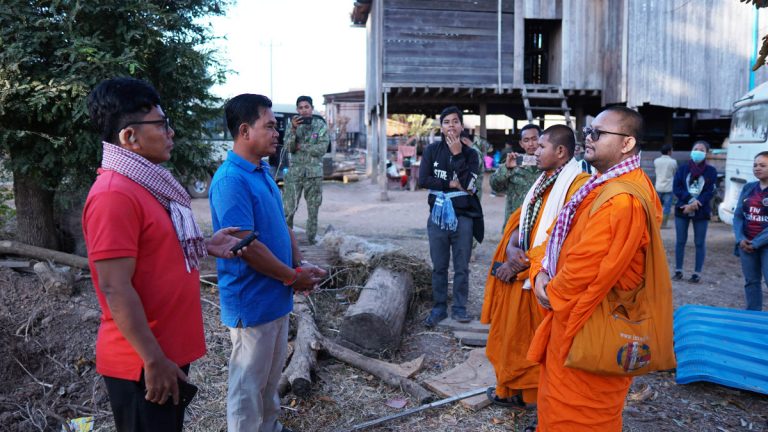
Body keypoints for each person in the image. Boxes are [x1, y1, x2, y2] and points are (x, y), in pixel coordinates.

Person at [82, 77, 245, 432]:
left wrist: (205, 245)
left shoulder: (148, 185)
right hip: (142, 361)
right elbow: (114, 288)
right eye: (161, 124)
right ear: (130, 137)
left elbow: (154, 252)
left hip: (163, 353)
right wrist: (153, 359)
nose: (171, 133)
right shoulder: (114, 194)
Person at [527, 106, 671, 431]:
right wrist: (539, 269)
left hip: (587, 327)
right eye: (588, 131)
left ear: (627, 144)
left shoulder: (621, 200)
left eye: (598, 133)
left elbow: (581, 274)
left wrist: (543, 286)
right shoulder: (600, 186)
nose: (588, 139)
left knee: (579, 418)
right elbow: (553, 240)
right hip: (573, 319)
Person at [209, 94, 326, 432]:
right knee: (247, 387)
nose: (278, 132)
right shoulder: (231, 179)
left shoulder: (261, 170)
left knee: (269, 378)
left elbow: (281, 225)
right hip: (252, 301)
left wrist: (299, 264)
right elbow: (247, 246)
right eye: (270, 126)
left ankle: (270, 427)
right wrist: (292, 277)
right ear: (245, 130)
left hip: (275, 297)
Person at [480, 125, 589, 409]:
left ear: (561, 152)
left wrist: (521, 263)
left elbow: (564, 238)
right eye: (533, 145)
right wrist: (514, 248)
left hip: (540, 280)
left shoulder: (577, 185)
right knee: (510, 338)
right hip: (521, 268)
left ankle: (536, 401)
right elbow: (521, 217)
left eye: (541, 147)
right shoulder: (544, 179)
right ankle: (511, 392)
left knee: (536, 346)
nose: (535, 151)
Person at [419, 106, 484, 326]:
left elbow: (470, 184)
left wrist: (457, 155)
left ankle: (459, 307)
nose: (451, 125)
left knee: (462, 265)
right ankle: (439, 307)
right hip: (437, 215)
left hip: (463, 216)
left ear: (461, 125)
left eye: (455, 121)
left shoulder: (470, 154)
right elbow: (423, 180)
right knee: (439, 265)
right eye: (446, 122)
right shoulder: (432, 151)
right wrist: (449, 183)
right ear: (441, 126)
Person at [283, 95, 329, 244]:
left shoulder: (320, 125)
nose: (303, 110)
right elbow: (288, 148)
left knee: (313, 210)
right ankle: (286, 240)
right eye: (300, 108)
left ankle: (311, 240)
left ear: (312, 108)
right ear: (297, 109)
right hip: (295, 174)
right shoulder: (293, 125)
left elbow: (321, 149)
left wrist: (301, 146)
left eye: (306, 107)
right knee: (288, 210)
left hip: (314, 174)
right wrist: (294, 130)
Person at [672, 140, 717, 284]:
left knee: (699, 242)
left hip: (701, 210)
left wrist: (697, 203)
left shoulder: (711, 171)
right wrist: (691, 200)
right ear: (691, 151)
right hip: (682, 209)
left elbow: (710, 191)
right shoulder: (683, 169)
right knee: (680, 241)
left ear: (706, 153)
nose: (698, 151)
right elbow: (677, 188)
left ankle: (697, 273)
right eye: (695, 148)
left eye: (701, 149)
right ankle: (678, 271)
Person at [732, 151, 768, 311]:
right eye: (755, 165)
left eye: (762, 165)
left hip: (763, 245)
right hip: (746, 244)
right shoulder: (748, 188)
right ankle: (753, 317)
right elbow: (738, 215)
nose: (757, 168)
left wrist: (756, 243)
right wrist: (740, 239)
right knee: (751, 282)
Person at [490, 124, 542, 230]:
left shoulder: (549, 164)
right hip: (515, 224)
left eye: (534, 139)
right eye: (526, 140)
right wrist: (506, 168)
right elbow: (495, 187)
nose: (531, 144)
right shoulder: (513, 162)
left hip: (540, 224)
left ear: (541, 140)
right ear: (521, 144)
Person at [654, 144, 678, 228]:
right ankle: (663, 224)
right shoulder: (673, 162)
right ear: (669, 152)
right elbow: (674, 172)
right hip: (668, 187)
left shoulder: (656, 161)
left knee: (657, 207)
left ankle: (656, 223)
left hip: (658, 186)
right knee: (667, 207)